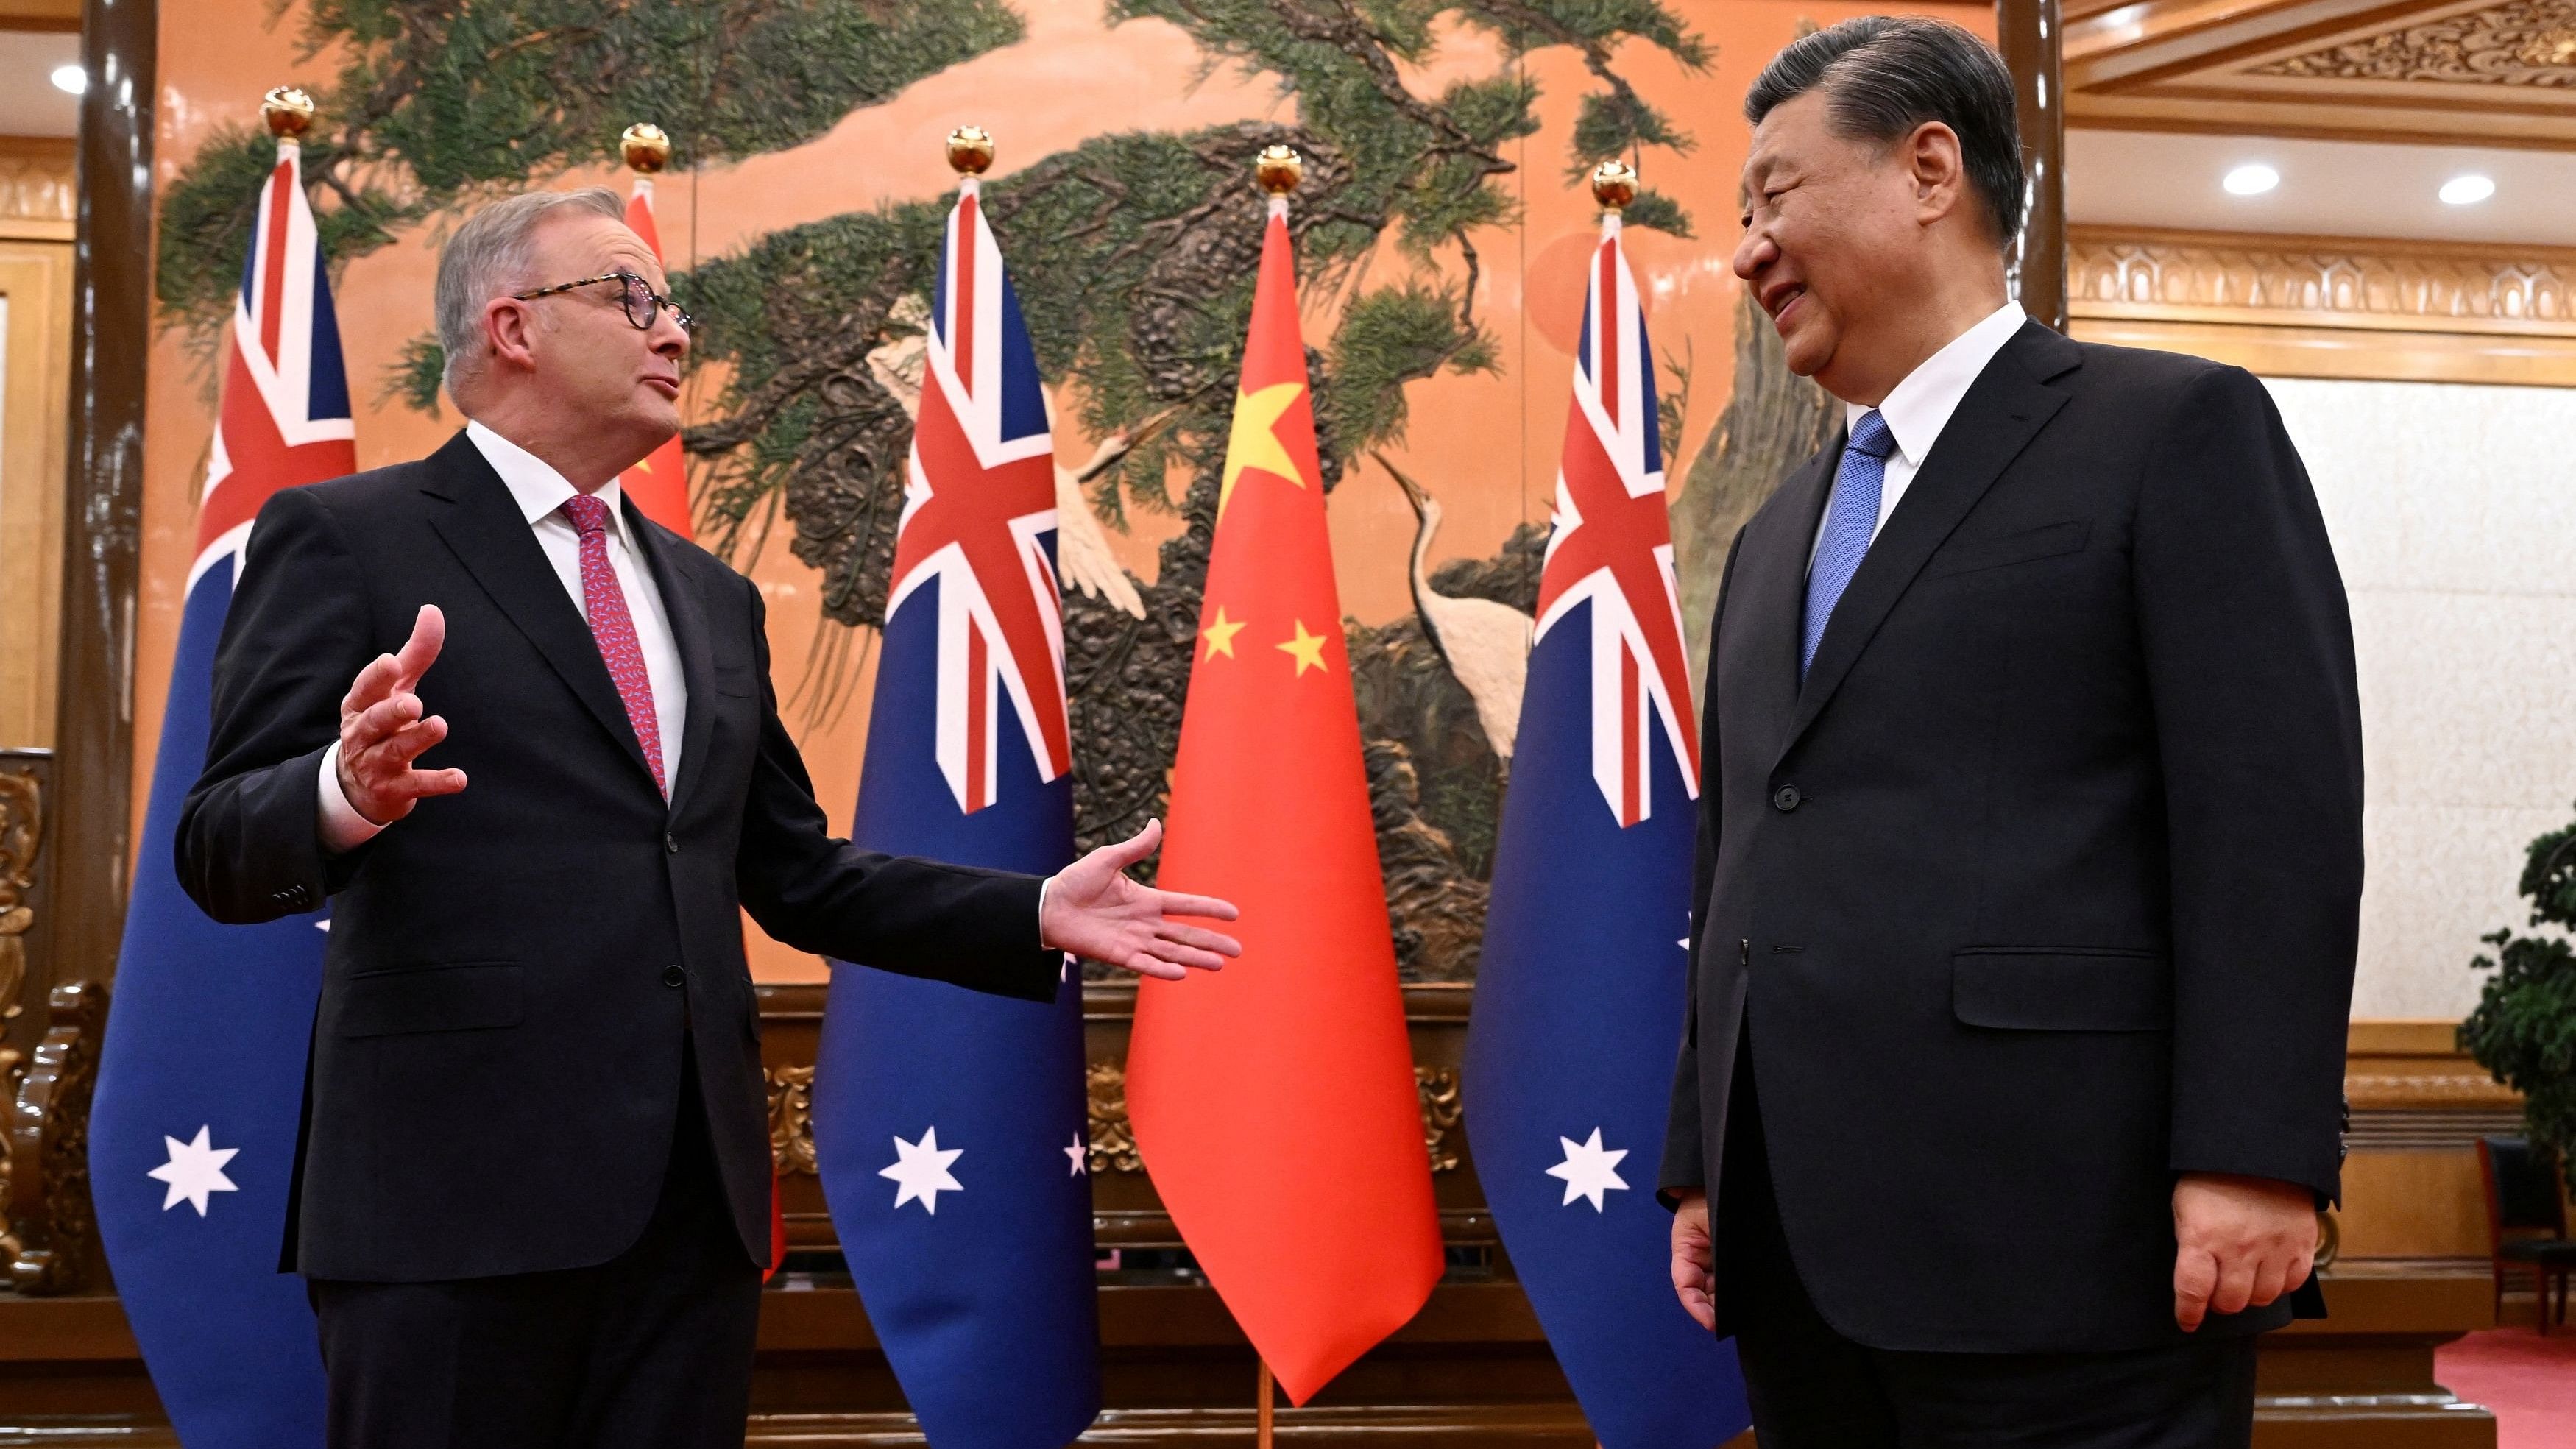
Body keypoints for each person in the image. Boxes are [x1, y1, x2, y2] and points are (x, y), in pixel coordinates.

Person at [174, 187, 1240, 1449]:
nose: (674, 333)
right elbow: (217, 843)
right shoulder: (348, 536)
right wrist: (341, 794)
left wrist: (1033, 912)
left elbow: (793, 874)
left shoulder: (709, 594)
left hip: (692, 1210)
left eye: (673, 305)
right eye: (631, 298)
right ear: (511, 326)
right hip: (450, 1206)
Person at [1659, 18, 2361, 1447]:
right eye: (1740, 218)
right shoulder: (1772, 531)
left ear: (1928, 170)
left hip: (2069, 1251)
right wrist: (1699, 1163)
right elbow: (1734, 852)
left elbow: (2270, 821)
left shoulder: (2171, 431)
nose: (1745, 252)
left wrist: (2254, 1155)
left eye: (1772, 196)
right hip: (1793, 1253)